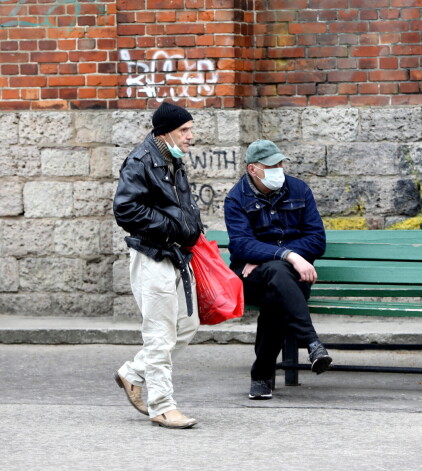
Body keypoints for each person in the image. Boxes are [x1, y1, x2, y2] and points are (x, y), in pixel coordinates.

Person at [112, 101, 204, 428]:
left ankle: (132, 373)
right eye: (185, 130)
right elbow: (125, 210)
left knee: (188, 325)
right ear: (165, 132)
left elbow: (179, 206)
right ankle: (162, 406)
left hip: (175, 255)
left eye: (190, 129)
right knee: (160, 334)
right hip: (153, 255)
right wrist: (173, 227)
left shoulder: (171, 159)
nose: (191, 136)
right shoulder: (141, 161)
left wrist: (190, 227)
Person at [224, 139, 332, 400]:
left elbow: (317, 240)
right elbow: (240, 245)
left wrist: (266, 255)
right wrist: (290, 255)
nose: (279, 169)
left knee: (277, 289)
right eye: (271, 165)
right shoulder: (236, 198)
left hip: (292, 278)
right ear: (253, 169)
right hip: (252, 280)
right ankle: (312, 343)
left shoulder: (299, 190)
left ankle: (261, 375)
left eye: (281, 163)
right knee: (276, 275)